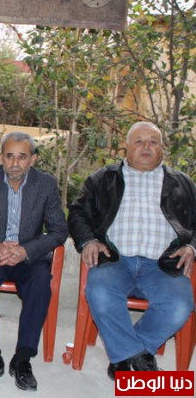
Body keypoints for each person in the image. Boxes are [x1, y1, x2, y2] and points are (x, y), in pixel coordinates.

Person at [68, 121, 195, 380]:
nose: (146, 147)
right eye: (139, 141)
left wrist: (192, 246)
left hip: (163, 263)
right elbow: (78, 212)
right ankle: (139, 357)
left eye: (153, 142)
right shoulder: (103, 179)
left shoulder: (182, 183)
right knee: (100, 293)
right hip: (115, 259)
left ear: (162, 148)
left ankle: (124, 357)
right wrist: (88, 240)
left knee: (179, 305)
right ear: (126, 147)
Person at [0, 132, 68, 391]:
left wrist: (26, 251)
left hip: (27, 257)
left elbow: (59, 230)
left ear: (33, 159)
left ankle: (23, 359)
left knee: (41, 281)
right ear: (1, 157)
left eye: (22, 157)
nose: (15, 163)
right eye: (9, 156)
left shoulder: (46, 184)